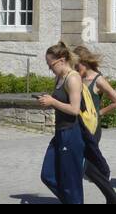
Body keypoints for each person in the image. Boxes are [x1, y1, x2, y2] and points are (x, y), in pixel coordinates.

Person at [35, 42, 86, 204]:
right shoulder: (59, 78)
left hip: (71, 132)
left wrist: (52, 102)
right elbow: (58, 102)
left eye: (51, 65)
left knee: (71, 181)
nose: (50, 69)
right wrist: (47, 101)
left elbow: (74, 109)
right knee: (47, 175)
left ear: (62, 60)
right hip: (60, 132)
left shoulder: (73, 78)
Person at [74, 44, 116, 204]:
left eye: (77, 65)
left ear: (85, 62)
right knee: (85, 162)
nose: (75, 68)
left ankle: (111, 194)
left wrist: (100, 112)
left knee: (84, 162)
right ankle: (110, 194)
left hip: (93, 128)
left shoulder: (98, 79)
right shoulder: (76, 78)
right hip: (78, 126)